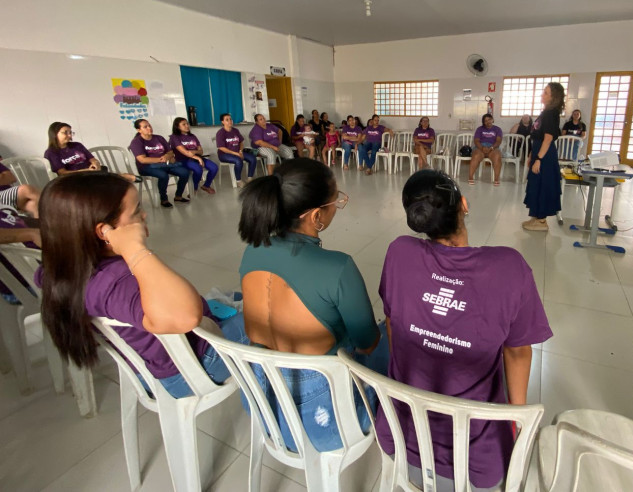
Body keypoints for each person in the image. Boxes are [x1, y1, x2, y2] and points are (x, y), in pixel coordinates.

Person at [377, 169, 551, 490]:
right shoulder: (509, 267)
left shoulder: (399, 252)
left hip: (399, 432)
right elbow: (517, 353)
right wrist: (517, 422)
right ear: (464, 206)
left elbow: (392, 326)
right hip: (476, 455)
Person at [37, 172, 249, 398]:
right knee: (277, 311)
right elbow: (186, 318)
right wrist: (135, 249)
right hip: (191, 367)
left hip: (155, 363)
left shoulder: (58, 269)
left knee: (236, 295)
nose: (144, 214)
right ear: (104, 231)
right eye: (136, 210)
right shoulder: (117, 282)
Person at [238, 158, 388, 452]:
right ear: (316, 215)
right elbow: (368, 345)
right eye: (336, 201)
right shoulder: (338, 267)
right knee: (392, 334)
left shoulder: (252, 249)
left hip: (263, 405)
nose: (337, 206)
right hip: (322, 418)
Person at [523, 83, 564, 231]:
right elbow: (537, 136)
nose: (542, 94)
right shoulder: (545, 112)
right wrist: (530, 155)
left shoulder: (551, 113)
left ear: (554, 97)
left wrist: (538, 159)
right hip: (538, 151)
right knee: (536, 184)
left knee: (543, 184)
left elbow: (548, 139)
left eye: (546, 93)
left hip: (545, 155)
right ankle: (536, 216)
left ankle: (542, 222)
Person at [43, 122, 139, 182]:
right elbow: (62, 173)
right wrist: (86, 171)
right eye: (65, 132)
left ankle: (120, 178)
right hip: (74, 179)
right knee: (103, 177)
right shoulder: (51, 152)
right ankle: (121, 176)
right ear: (54, 134)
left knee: (102, 170)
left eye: (70, 132)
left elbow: (92, 159)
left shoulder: (77, 145)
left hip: (93, 172)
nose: (69, 135)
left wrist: (95, 163)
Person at [129, 119, 190, 208]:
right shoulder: (136, 142)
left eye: (149, 125)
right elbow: (142, 160)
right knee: (163, 175)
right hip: (147, 167)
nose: (149, 128)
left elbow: (170, 152)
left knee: (184, 172)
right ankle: (164, 199)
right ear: (139, 130)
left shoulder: (159, 138)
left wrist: (167, 156)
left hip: (165, 164)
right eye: (145, 127)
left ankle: (178, 196)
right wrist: (161, 159)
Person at [169, 117, 217, 194]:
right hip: (183, 160)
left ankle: (206, 185)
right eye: (183, 124)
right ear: (177, 126)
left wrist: (194, 152)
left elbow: (201, 151)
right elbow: (185, 153)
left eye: (187, 124)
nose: (187, 126)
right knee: (198, 169)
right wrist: (197, 157)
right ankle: (194, 188)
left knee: (214, 167)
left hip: (196, 158)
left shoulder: (192, 136)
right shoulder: (174, 137)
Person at [216, 113, 256, 188]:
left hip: (237, 152)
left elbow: (241, 142)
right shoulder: (220, 133)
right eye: (227, 120)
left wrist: (240, 151)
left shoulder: (235, 130)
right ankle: (238, 181)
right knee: (238, 160)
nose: (230, 121)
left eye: (230, 119)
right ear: (222, 122)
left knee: (252, 158)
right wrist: (236, 153)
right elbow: (221, 148)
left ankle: (250, 178)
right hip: (224, 154)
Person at [469, 114, 503, 186]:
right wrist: (482, 148)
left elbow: (498, 141)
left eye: (489, 119)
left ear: (492, 120)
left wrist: (491, 148)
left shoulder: (498, 129)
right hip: (480, 147)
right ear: (483, 122)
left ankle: (496, 178)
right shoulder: (479, 129)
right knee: (476, 156)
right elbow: (476, 141)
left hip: (493, 147)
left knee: (497, 156)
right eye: (485, 121)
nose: (488, 122)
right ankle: (471, 176)